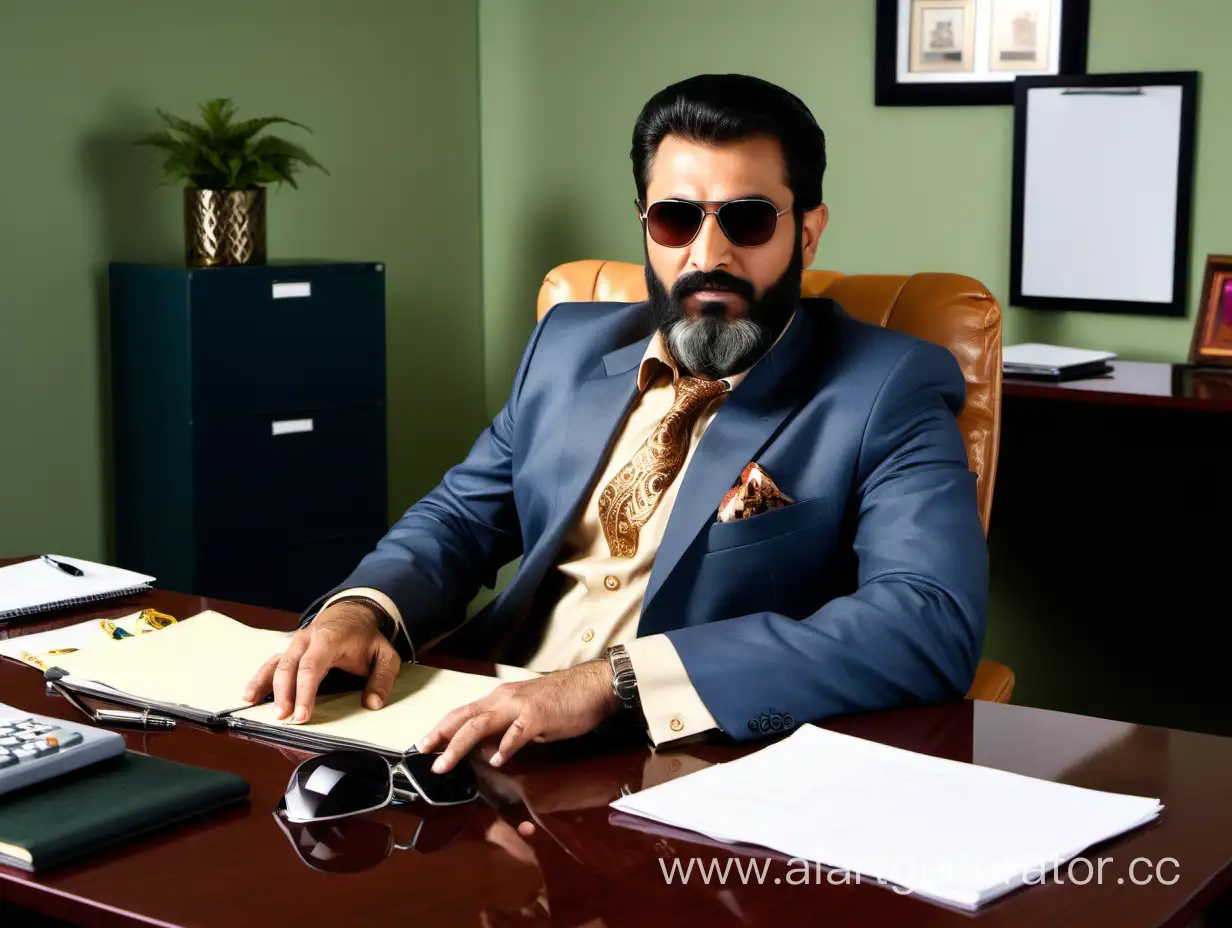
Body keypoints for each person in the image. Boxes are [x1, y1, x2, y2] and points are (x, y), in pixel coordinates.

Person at [243, 73, 987, 775]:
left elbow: (927, 621)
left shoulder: (888, 386)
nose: (708, 254)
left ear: (809, 232)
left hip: (676, 761)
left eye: (749, 220)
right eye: (676, 218)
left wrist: (616, 683)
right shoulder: (567, 346)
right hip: (471, 723)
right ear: (645, 224)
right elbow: (459, 519)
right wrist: (361, 609)